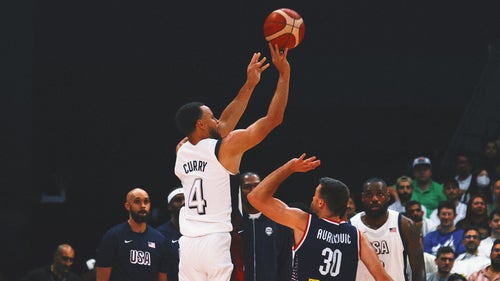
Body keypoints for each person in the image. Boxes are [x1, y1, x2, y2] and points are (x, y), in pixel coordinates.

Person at [174, 43, 291, 281]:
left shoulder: (181, 149)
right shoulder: (225, 149)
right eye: (212, 117)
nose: (218, 120)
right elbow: (273, 119)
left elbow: (224, 124)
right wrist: (284, 74)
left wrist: (250, 85)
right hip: (215, 242)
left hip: (188, 246)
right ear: (201, 124)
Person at [247, 153, 394, 280]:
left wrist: (290, 167)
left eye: (315, 195)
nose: (312, 198)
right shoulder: (357, 236)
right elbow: (383, 278)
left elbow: (255, 197)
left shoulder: (305, 223)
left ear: (321, 202)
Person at [350, 177, 426, 281]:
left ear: (388, 197)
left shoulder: (405, 225)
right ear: (363, 197)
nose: (375, 199)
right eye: (369, 195)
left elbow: (419, 270)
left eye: (380, 194)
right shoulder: (351, 226)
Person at [95, 188, 168, 281]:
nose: (143, 206)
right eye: (137, 201)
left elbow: (162, 277)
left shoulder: (159, 239)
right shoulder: (113, 236)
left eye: (146, 202)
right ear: (127, 206)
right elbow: (102, 278)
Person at [238, 171, 293, 281]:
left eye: (257, 186)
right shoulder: (233, 222)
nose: (253, 191)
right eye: (247, 187)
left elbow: (286, 263)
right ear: (239, 190)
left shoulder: (279, 221)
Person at [156, 187, 184, 281]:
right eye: (178, 200)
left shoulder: (199, 230)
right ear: (169, 206)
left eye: (185, 199)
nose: (183, 203)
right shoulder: (160, 234)